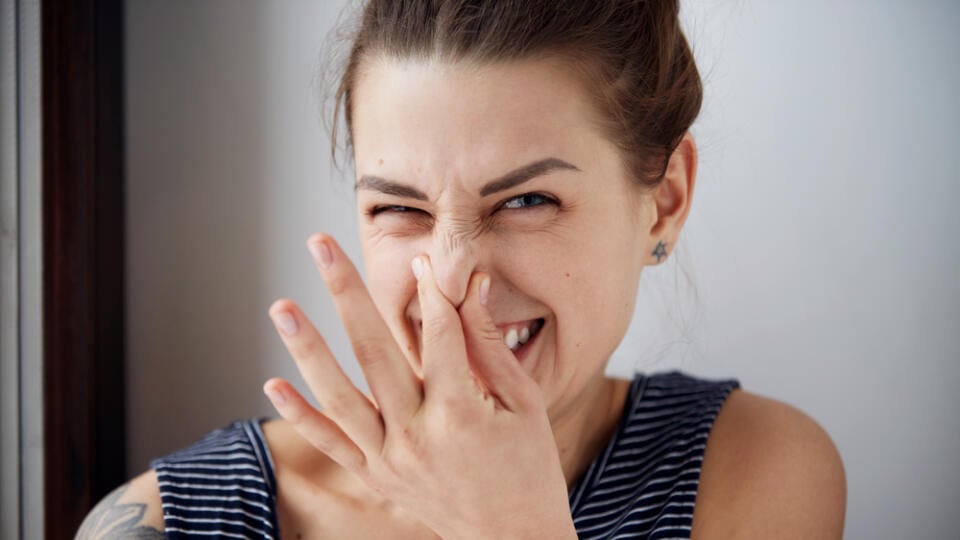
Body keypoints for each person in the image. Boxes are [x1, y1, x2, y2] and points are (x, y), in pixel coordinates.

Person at [77, 1, 846, 538]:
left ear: (665, 201)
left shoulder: (751, 474)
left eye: (527, 200)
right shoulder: (166, 524)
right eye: (398, 209)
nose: (447, 278)